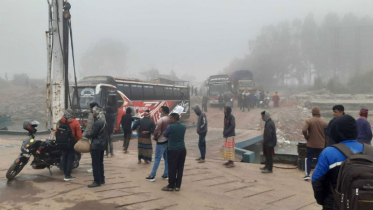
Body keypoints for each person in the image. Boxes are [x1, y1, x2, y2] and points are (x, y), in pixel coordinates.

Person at [311, 115, 370, 209]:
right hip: (366, 204)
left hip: (335, 204)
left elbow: (316, 181)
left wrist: (324, 201)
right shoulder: (370, 152)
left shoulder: (328, 153)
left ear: (335, 132)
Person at [161, 113, 187, 192]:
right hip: (182, 149)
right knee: (180, 168)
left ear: (174, 119)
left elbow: (164, 134)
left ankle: (171, 186)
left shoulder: (170, 126)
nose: (169, 120)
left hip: (173, 149)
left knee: (172, 168)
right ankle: (178, 186)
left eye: (170, 118)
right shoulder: (183, 126)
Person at [55, 109, 82, 181]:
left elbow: (56, 133)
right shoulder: (75, 122)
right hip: (71, 144)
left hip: (61, 143)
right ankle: (67, 175)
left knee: (64, 156)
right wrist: (77, 141)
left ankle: (64, 171)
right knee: (70, 158)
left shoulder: (60, 121)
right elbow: (79, 135)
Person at [302, 106, 327, 180]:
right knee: (320, 160)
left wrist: (307, 138)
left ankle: (307, 175)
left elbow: (304, 130)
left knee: (309, 159)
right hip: (321, 145)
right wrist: (325, 141)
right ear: (319, 112)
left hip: (311, 144)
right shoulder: (324, 122)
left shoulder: (309, 121)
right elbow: (328, 133)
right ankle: (319, 175)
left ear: (312, 112)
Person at [146, 106, 170, 182]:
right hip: (168, 141)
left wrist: (155, 137)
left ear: (163, 112)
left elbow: (157, 131)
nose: (160, 112)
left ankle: (152, 175)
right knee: (166, 158)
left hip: (161, 141)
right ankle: (166, 174)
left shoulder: (161, 120)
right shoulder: (170, 119)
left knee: (157, 158)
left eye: (161, 111)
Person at [86, 106, 107, 188]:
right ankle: (102, 179)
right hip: (102, 145)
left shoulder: (97, 122)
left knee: (95, 164)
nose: (92, 114)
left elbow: (93, 134)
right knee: (100, 163)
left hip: (96, 145)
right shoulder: (104, 121)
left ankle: (96, 181)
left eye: (93, 112)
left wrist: (87, 135)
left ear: (96, 113)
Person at [84, 102, 99, 174]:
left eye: (90, 107)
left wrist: (84, 135)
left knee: (93, 153)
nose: (89, 109)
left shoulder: (91, 115)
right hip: (100, 137)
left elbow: (88, 127)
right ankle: (98, 168)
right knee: (98, 155)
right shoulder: (101, 113)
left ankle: (94, 168)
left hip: (93, 136)